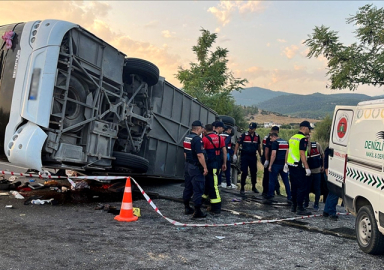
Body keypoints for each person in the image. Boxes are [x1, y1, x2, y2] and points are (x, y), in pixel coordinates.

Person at [285, 121, 312, 215]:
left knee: (294, 186)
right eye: (309, 129)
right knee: (302, 187)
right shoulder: (303, 139)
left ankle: (294, 206)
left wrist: (286, 163)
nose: (310, 131)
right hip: (299, 166)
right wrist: (307, 167)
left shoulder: (292, 137)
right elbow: (302, 153)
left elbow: (288, 151)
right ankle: (300, 208)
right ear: (304, 128)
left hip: (291, 165)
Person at [183, 120, 208, 218]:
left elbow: (185, 152)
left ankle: (187, 207)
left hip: (188, 165)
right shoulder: (197, 140)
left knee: (188, 187)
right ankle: (197, 211)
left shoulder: (187, 137)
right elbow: (200, 155)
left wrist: (188, 162)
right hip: (196, 167)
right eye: (202, 128)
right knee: (198, 189)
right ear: (198, 128)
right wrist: (205, 167)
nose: (203, 130)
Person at [202, 123, 227, 214]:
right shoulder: (220, 138)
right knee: (209, 183)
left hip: (210, 165)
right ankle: (202, 199)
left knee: (213, 185)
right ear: (213, 129)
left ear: (205, 130)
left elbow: (201, 154)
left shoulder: (204, 139)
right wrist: (224, 163)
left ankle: (216, 207)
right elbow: (224, 151)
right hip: (218, 164)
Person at [233, 122, 261, 196]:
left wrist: (261, 155)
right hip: (245, 155)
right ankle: (242, 187)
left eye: (252, 128)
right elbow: (237, 144)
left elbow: (258, 146)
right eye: (249, 128)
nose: (250, 129)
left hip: (253, 156)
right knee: (244, 172)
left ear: (255, 129)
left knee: (253, 172)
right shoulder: (244, 135)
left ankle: (254, 187)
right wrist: (235, 154)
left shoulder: (257, 136)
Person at [265, 132, 291, 203]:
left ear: (274, 136)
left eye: (271, 138)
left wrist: (270, 165)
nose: (270, 140)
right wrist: (286, 163)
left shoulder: (275, 143)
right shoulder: (285, 142)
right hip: (284, 165)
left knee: (272, 181)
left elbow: (273, 155)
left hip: (276, 164)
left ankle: (270, 196)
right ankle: (289, 196)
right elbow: (288, 153)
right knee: (286, 181)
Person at [304, 135, 324, 211]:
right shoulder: (303, 146)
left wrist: (323, 166)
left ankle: (316, 203)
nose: (307, 139)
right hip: (307, 171)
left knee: (317, 188)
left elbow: (322, 155)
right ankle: (306, 202)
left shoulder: (317, 145)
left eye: (308, 137)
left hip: (317, 171)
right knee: (307, 188)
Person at [261, 126, 281, 197]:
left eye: (275, 131)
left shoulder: (277, 139)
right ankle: (265, 191)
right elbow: (266, 149)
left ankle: (275, 190)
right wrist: (266, 160)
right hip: (268, 158)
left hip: (274, 159)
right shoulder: (267, 138)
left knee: (274, 176)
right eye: (273, 131)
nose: (273, 132)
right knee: (267, 175)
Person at [323, 147, 339, 220]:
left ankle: (326, 211)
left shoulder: (329, 149)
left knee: (331, 193)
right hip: (330, 173)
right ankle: (332, 213)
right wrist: (327, 173)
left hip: (330, 173)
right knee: (335, 193)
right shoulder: (330, 149)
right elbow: (326, 161)